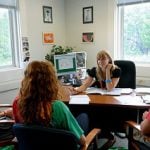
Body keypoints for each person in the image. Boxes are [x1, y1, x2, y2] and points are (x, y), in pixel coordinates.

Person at [12, 60, 89, 147]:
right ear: (51, 81)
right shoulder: (57, 107)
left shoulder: (17, 103)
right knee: (84, 116)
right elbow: (82, 141)